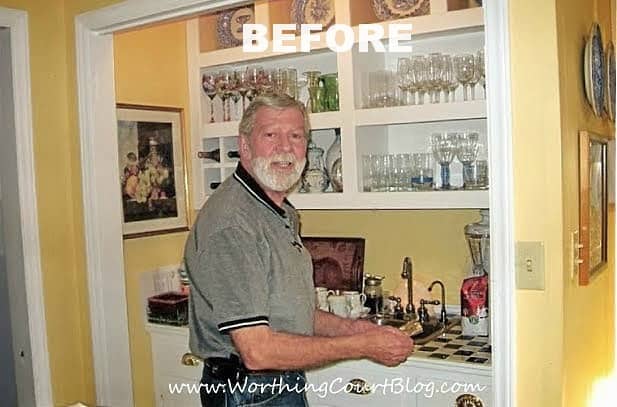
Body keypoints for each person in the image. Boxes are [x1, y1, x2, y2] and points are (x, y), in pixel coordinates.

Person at [184, 94, 414, 407]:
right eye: (270, 135)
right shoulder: (233, 225)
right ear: (245, 145)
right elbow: (257, 351)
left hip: (272, 385)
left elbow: (290, 311)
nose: (285, 148)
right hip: (248, 392)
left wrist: (350, 329)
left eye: (296, 136)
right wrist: (361, 346)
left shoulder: (277, 210)